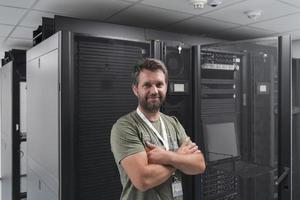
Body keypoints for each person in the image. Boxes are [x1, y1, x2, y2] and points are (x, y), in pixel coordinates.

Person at [110, 58, 206, 200]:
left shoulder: (173, 123)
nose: (154, 91)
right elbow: (143, 180)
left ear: (166, 86)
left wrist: (168, 157)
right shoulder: (125, 127)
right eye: (147, 85)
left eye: (159, 84)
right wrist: (179, 159)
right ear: (136, 89)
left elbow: (199, 164)